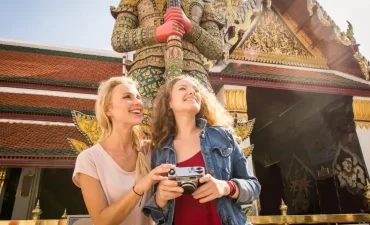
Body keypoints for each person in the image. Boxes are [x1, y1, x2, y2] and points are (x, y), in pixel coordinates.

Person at [143, 76, 261, 225]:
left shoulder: (221, 136)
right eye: (183, 88)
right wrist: (159, 198)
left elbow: (253, 187)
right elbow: (155, 216)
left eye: (196, 90)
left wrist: (226, 187)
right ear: (169, 102)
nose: (192, 92)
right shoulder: (159, 150)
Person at [72, 76, 174, 225]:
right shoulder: (89, 159)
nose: (138, 103)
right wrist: (140, 187)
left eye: (138, 97)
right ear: (108, 109)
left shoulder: (150, 150)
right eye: (127, 97)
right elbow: (101, 221)